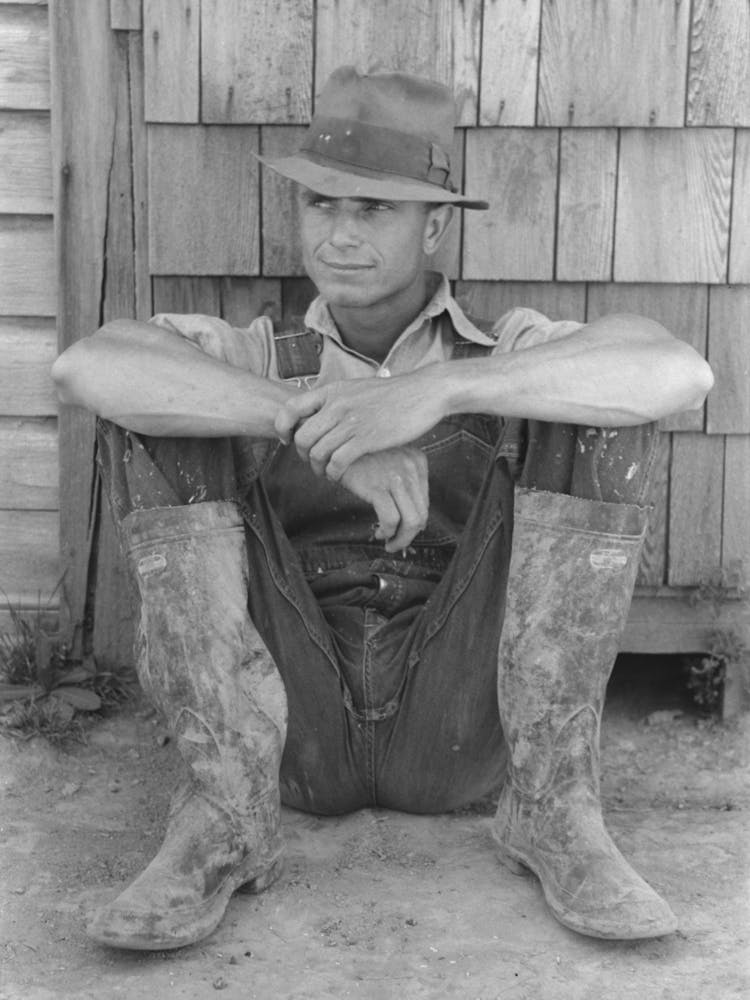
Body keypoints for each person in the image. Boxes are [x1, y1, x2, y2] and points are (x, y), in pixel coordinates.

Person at [52, 66, 713, 951]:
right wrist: (302, 420)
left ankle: (556, 810)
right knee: (158, 408)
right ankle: (220, 820)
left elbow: (677, 371)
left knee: (594, 411)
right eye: (322, 205)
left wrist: (439, 390)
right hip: (293, 725)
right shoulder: (254, 353)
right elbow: (88, 365)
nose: (340, 235)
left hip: (458, 720)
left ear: (435, 224)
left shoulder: (500, 350)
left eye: (374, 210)